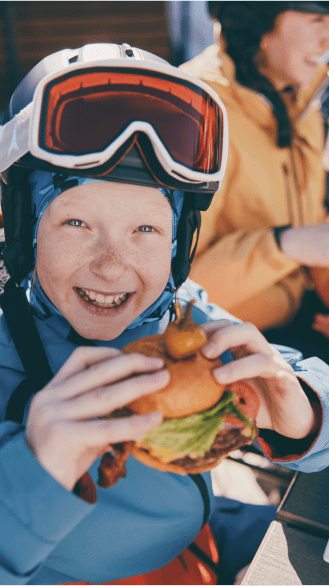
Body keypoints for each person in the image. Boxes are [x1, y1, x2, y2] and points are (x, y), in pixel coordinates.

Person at [0, 42, 328, 586]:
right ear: (22, 226)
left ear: (178, 244)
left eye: (146, 230)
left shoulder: (178, 316)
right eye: (75, 224)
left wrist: (305, 414)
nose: (111, 267)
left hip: (202, 545)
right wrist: (36, 470)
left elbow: (297, 390)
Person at [180, 1, 329, 363]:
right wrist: (284, 245)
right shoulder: (195, 113)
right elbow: (174, 289)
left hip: (300, 318)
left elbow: (318, 241)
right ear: (260, 23)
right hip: (218, 341)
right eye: (317, 19)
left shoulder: (301, 99)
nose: (328, 36)